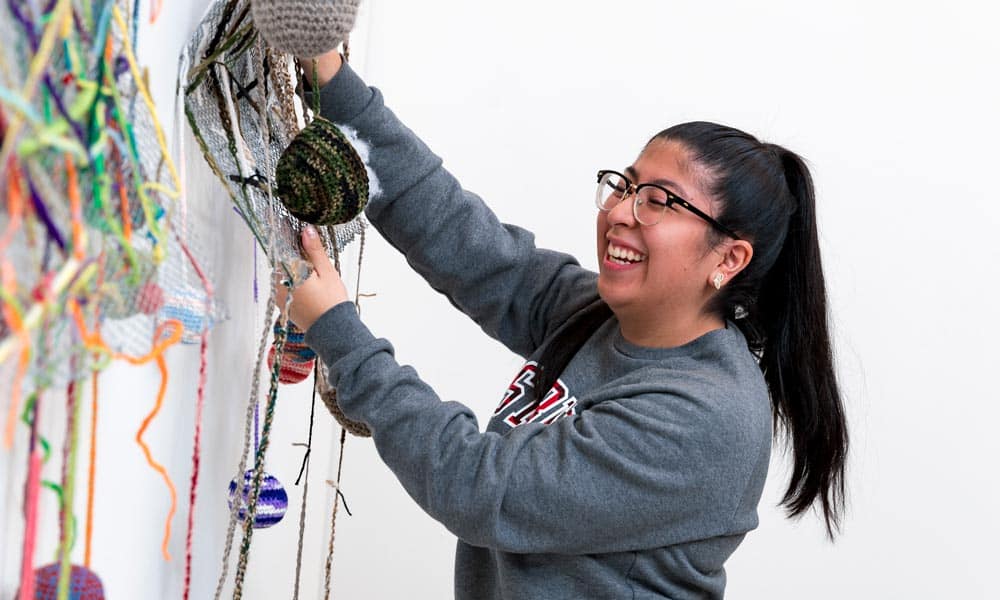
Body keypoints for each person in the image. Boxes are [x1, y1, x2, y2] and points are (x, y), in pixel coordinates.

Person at [277, 50, 848, 599]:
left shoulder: (705, 418)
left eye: (659, 201)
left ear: (729, 259)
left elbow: (480, 488)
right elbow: (463, 242)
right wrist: (331, 79)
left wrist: (341, 334)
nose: (621, 211)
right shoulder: (605, 316)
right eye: (624, 185)